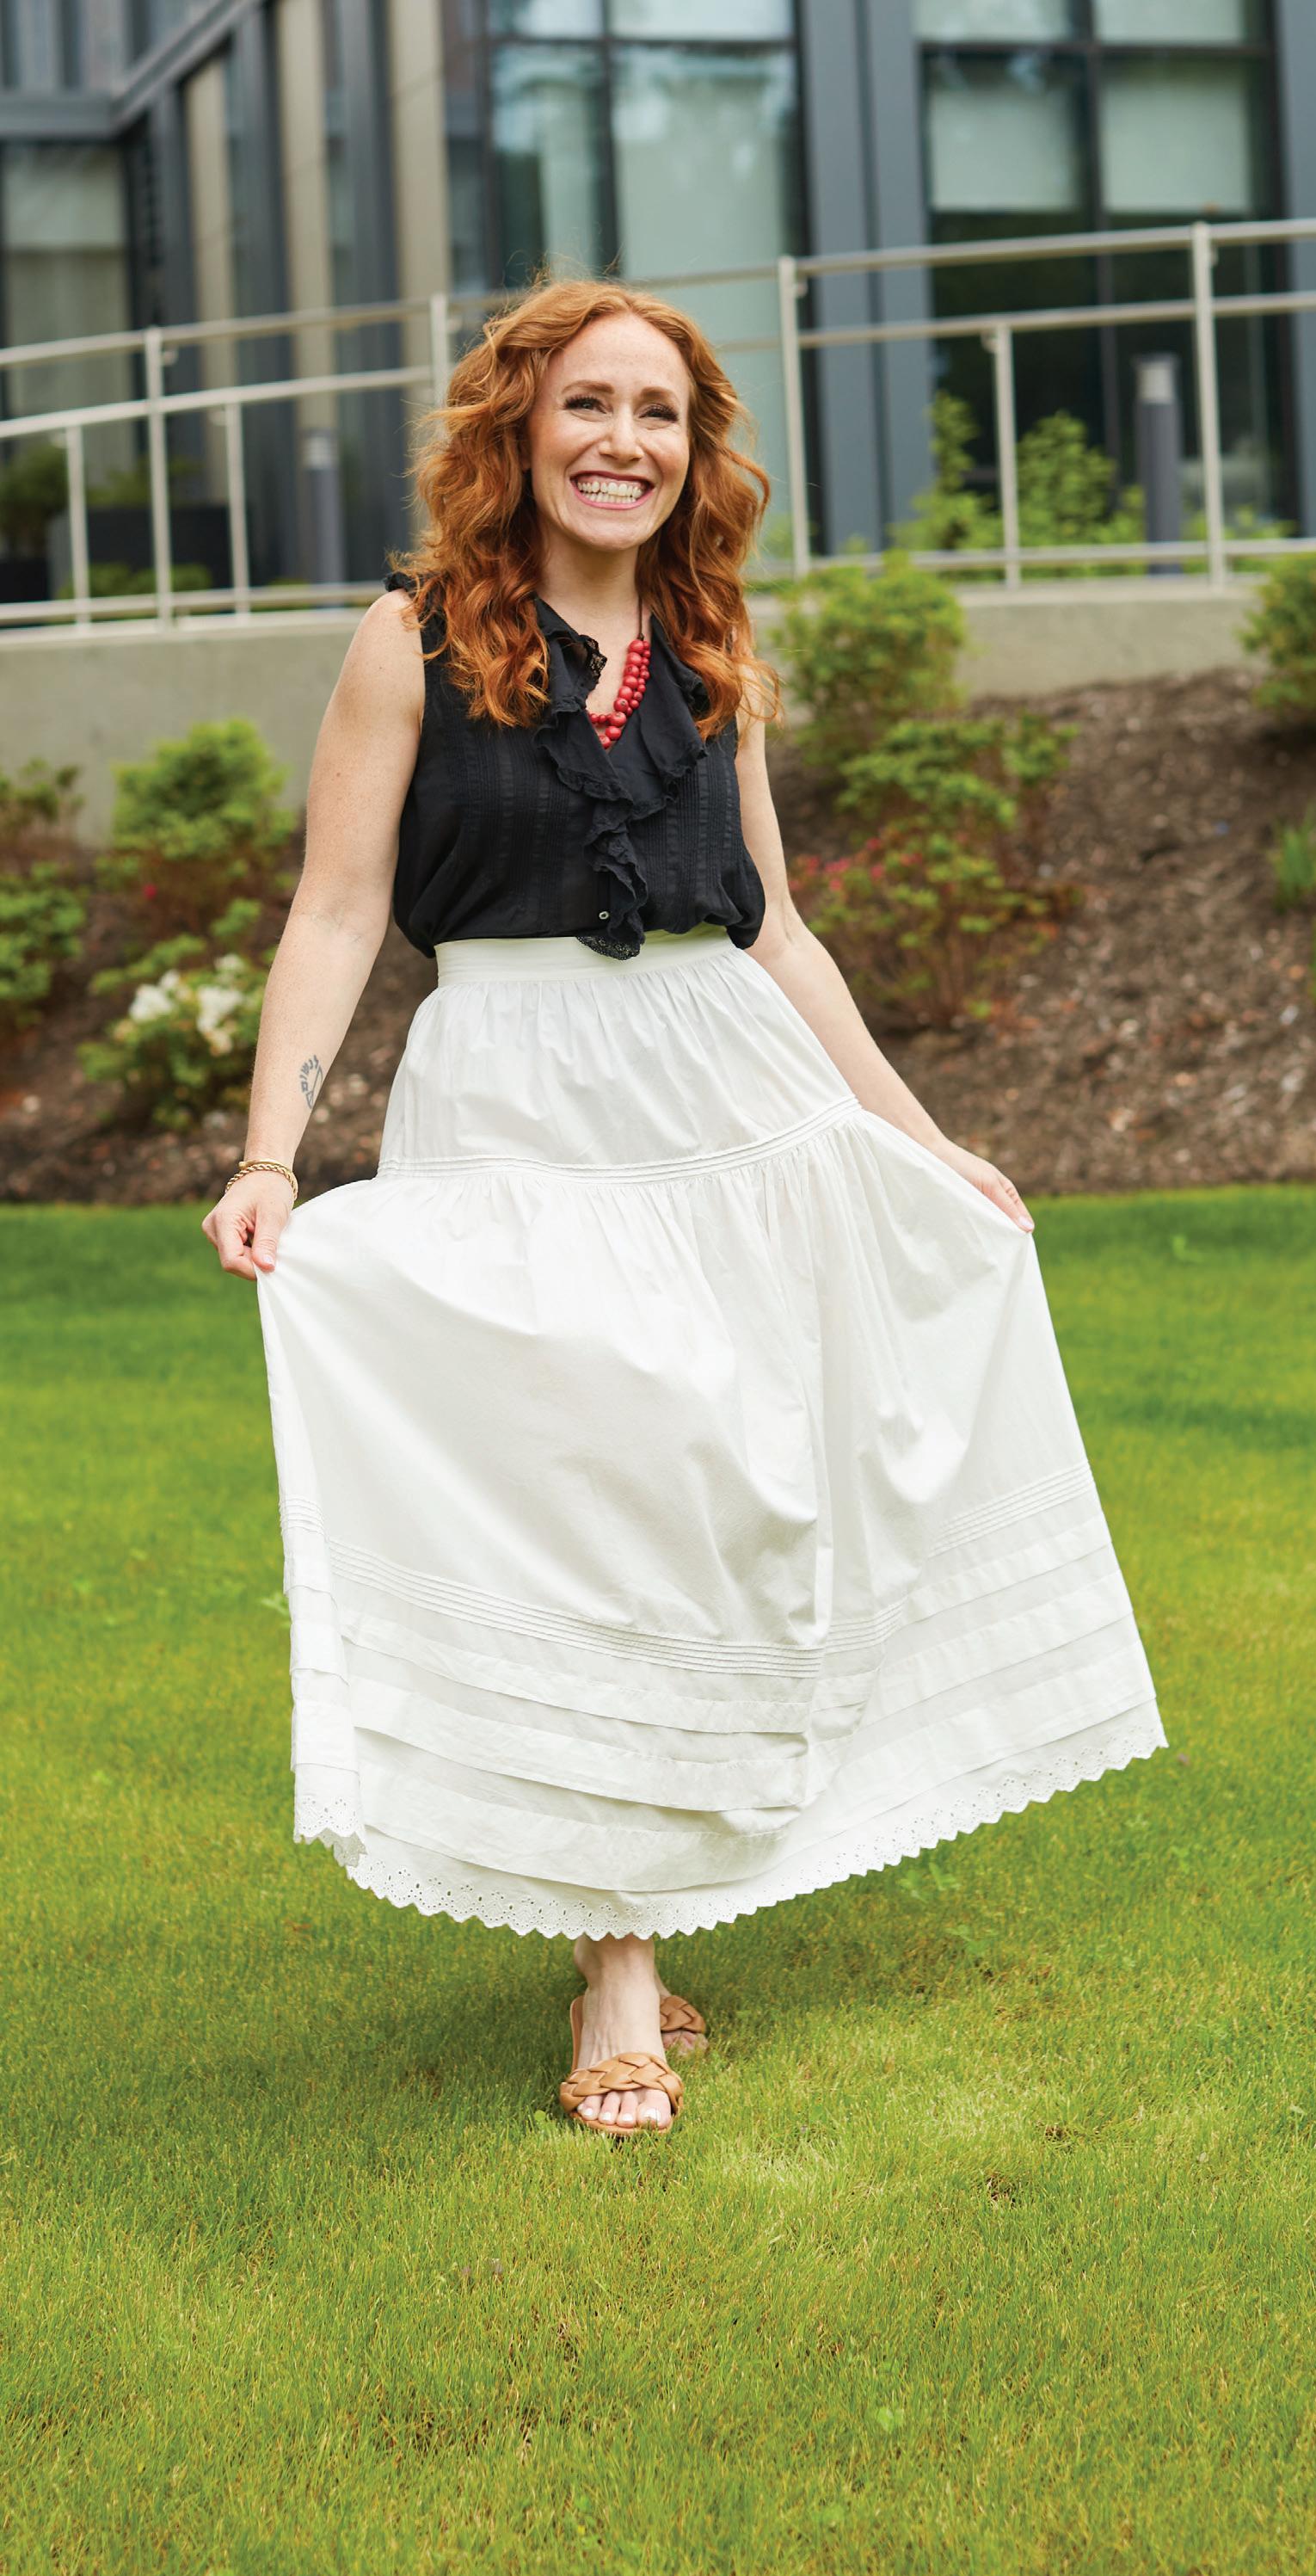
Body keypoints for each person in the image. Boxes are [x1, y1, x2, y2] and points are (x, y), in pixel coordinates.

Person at [203, 280, 1164, 2138]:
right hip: (515, 1105)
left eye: (657, 411)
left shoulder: (711, 641)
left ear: (693, 450)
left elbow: (775, 926)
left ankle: (659, 1886)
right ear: (518, 427)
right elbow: (336, 909)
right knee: (588, 1512)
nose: (622, 442)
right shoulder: (410, 638)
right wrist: (271, 1152)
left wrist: (921, 1140)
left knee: (723, 1510)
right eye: (587, 404)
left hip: (728, 1100)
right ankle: (622, 1975)